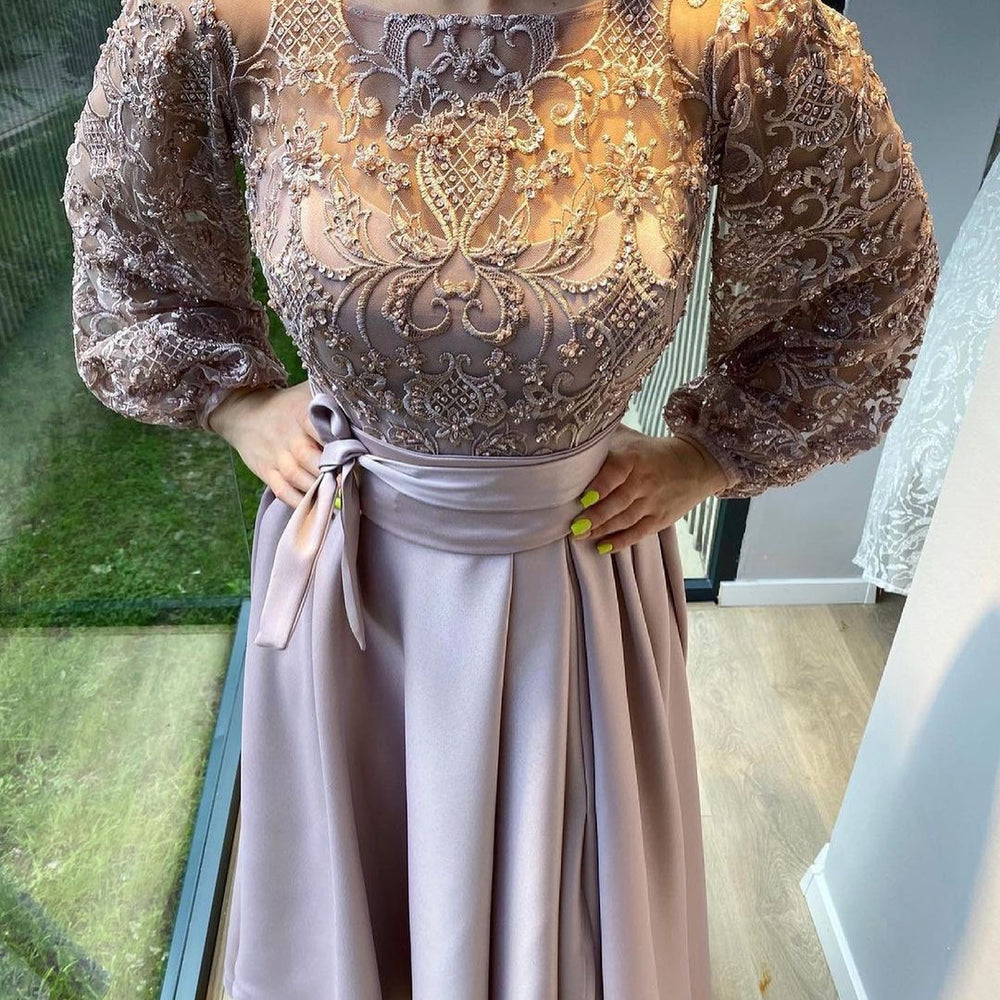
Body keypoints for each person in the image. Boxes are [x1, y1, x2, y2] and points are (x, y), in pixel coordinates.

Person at [62, 0, 939, 994]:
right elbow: (128, 236)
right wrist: (237, 403)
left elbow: (869, 274)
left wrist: (713, 454)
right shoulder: (224, 16)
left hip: (573, 599)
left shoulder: (733, 30)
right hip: (351, 587)